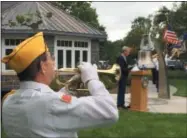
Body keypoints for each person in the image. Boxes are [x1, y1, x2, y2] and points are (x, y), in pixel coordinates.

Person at [1, 32, 119, 138]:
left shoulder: (8, 101)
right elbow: (110, 112)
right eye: (51, 57)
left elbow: (43, 105)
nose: (54, 61)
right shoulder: (51, 103)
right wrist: (92, 79)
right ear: (43, 66)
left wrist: (69, 87)